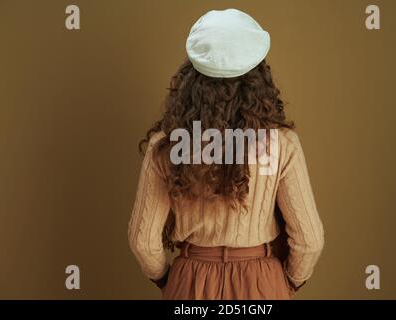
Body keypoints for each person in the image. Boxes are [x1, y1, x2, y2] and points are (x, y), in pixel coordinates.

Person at [128, 8, 324, 300]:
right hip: (262, 284)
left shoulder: (166, 145)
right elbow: (309, 241)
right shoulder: (282, 144)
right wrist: (289, 283)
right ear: (259, 78)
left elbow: (143, 241)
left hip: (191, 281)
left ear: (190, 80)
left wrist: (169, 280)